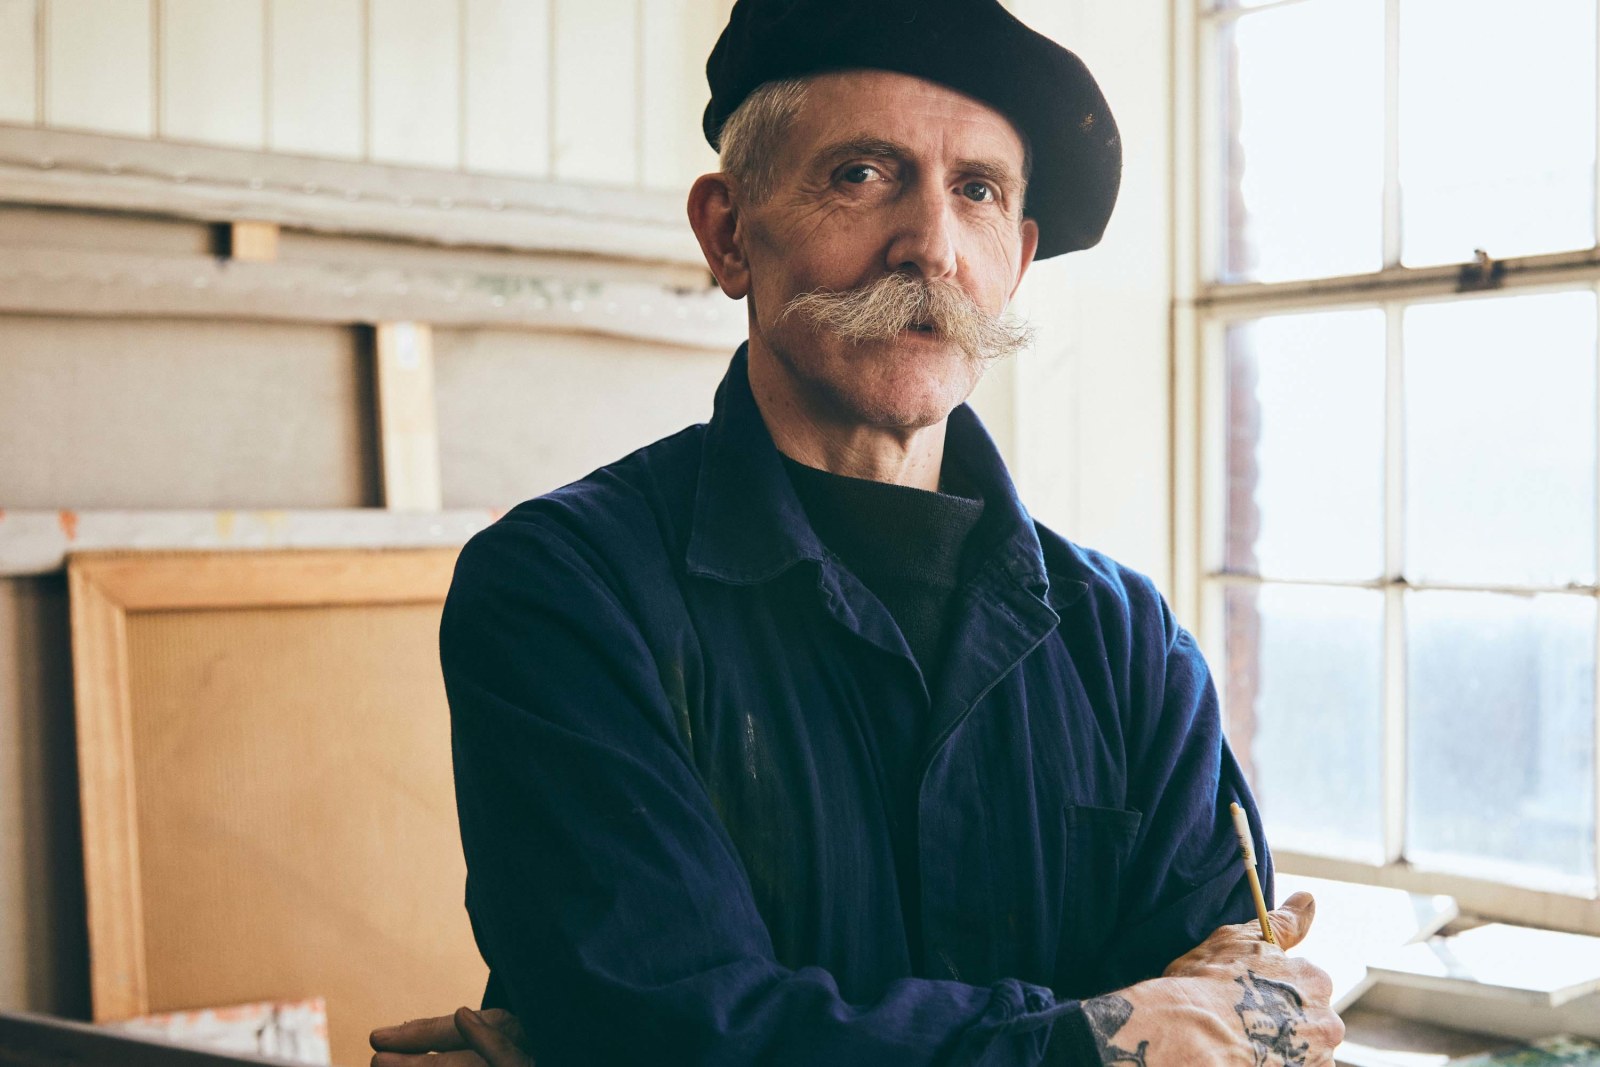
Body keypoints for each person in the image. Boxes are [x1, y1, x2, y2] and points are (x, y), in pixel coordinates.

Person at [371, 0, 1343, 1064]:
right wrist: (1093, 1039)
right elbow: (670, 1028)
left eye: (976, 191)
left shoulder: (1125, 640)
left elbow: (1251, 1021)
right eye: (861, 174)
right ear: (728, 231)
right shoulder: (565, 589)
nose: (930, 242)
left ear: (1014, 257)